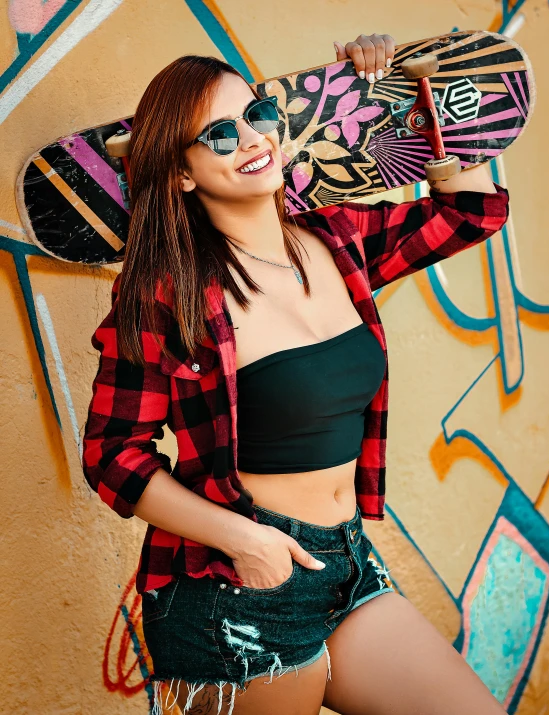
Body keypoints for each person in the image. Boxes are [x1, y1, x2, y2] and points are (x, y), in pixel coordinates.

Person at [82, 33, 510, 715]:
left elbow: (470, 211)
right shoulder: (167, 294)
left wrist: (394, 95)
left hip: (346, 564)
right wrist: (242, 537)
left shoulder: (336, 240)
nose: (253, 138)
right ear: (182, 173)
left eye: (258, 115)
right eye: (220, 134)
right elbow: (111, 457)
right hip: (235, 592)